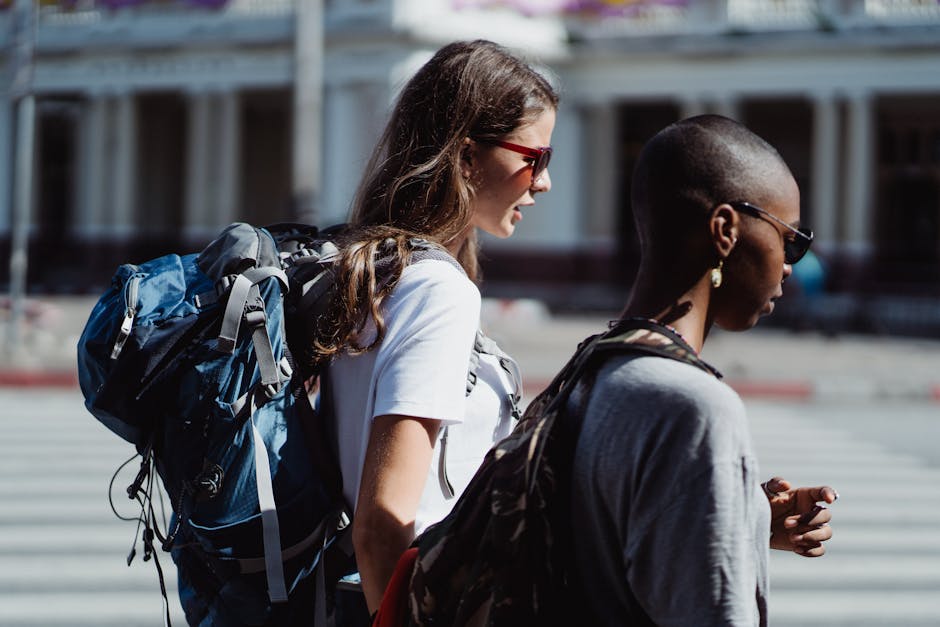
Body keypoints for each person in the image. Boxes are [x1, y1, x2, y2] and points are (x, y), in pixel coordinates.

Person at [309, 39, 558, 619]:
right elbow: (382, 524)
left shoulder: (370, 265)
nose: (543, 183)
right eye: (535, 159)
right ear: (467, 157)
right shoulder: (438, 291)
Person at [567, 115, 838, 626]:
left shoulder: (592, 366)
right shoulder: (693, 405)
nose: (790, 265)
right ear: (726, 231)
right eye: (791, 240)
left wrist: (747, 518)